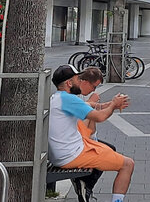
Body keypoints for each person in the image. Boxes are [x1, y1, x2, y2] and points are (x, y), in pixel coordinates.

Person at [48, 65, 134, 202]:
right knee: (128, 164)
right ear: (69, 83)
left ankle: (84, 184)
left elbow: (89, 106)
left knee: (108, 149)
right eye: (77, 78)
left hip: (63, 153)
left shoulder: (58, 97)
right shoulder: (69, 99)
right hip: (71, 154)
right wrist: (113, 105)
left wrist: (111, 104)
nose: (79, 81)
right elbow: (100, 117)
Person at [73, 67, 122, 201]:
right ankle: (85, 185)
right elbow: (88, 128)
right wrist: (92, 105)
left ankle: (85, 185)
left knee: (110, 149)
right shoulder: (75, 97)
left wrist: (104, 104)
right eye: (94, 86)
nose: (94, 90)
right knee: (109, 151)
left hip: (83, 138)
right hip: (77, 142)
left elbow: (92, 127)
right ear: (84, 82)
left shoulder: (83, 98)